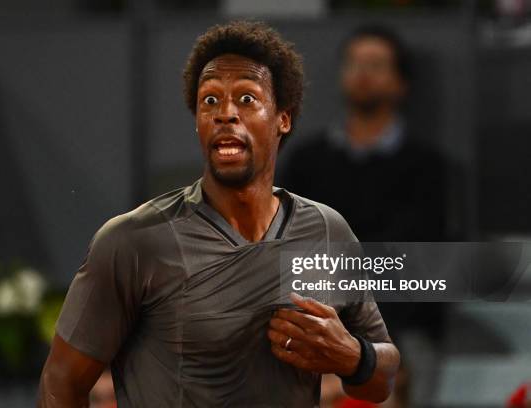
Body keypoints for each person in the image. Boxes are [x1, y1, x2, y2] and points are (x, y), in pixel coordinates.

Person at [38, 20, 399, 407]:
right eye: (210, 100)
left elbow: (382, 380)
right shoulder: (133, 241)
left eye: (246, 99)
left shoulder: (326, 230)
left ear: (283, 118)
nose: (226, 113)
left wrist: (353, 357)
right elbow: (60, 381)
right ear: (197, 121)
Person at [279, 25, 448, 343]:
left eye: (375, 65)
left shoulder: (426, 166)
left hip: (401, 325)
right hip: (316, 320)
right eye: (354, 64)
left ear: (401, 83)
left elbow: (418, 259)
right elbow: (291, 249)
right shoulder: (306, 160)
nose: (362, 74)